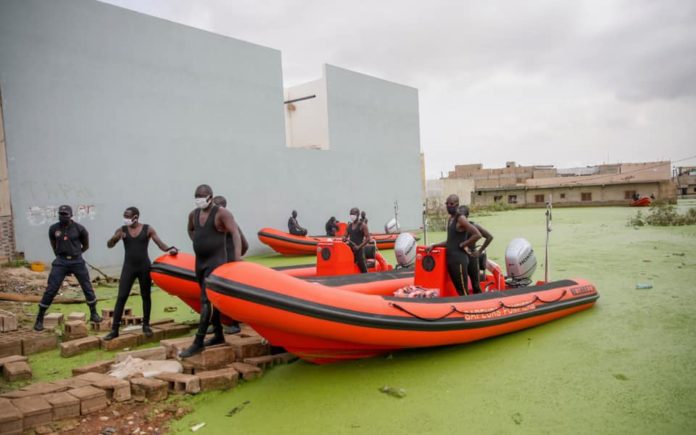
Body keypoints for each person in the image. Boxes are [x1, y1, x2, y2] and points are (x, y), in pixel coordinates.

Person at [180, 184, 243, 358]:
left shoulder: (222, 214)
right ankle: (218, 334)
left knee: (205, 300)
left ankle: (198, 342)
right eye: (196, 195)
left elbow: (236, 233)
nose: (199, 198)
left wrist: (236, 258)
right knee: (208, 298)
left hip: (216, 261)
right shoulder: (194, 214)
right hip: (200, 262)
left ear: (210, 196)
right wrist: (197, 241)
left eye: (202, 195)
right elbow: (190, 229)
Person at [103, 207, 178, 341]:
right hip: (129, 267)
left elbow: (159, 243)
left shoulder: (147, 229)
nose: (125, 219)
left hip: (144, 266)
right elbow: (110, 245)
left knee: (146, 296)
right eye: (124, 216)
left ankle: (146, 325)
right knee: (121, 296)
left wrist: (170, 249)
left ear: (136, 217)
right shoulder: (122, 230)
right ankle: (114, 329)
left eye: (128, 217)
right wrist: (115, 238)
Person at [33, 205, 102, 331]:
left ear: (71, 215)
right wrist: (61, 256)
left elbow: (85, 245)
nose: (62, 216)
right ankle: (39, 318)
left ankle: (94, 313)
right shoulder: (53, 228)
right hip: (61, 261)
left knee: (87, 287)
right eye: (61, 214)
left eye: (65, 214)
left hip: (77, 261)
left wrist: (76, 254)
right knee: (51, 288)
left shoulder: (80, 229)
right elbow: (54, 245)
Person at [426, 195, 481, 296]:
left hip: (459, 260)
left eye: (451, 204)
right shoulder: (450, 219)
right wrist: (434, 245)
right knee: (459, 290)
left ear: (457, 205)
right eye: (447, 204)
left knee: (463, 291)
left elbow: (477, 234)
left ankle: (469, 308)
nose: (448, 206)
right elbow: (450, 242)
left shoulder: (461, 218)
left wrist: (463, 244)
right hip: (451, 260)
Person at [459, 205, 494, 292]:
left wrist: (480, 251)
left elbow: (489, 237)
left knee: (476, 285)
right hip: (460, 258)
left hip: (472, 258)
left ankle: (479, 302)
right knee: (462, 286)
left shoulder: (474, 226)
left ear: (466, 216)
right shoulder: (455, 228)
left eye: (462, 215)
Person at [342, 207, 369, 273]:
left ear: (357, 215)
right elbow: (344, 236)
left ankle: (367, 278)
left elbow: (368, 238)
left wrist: (359, 247)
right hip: (350, 250)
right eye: (351, 214)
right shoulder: (349, 226)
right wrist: (344, 238)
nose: (352, 216)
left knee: (363, 268)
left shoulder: (362, 225)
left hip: (359, 250)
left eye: (353, 214)